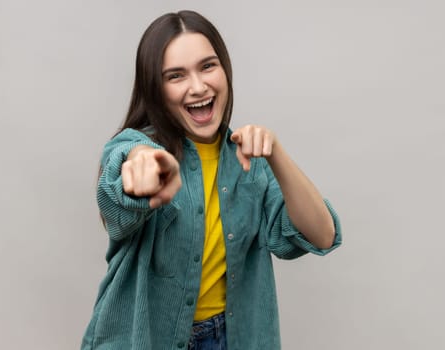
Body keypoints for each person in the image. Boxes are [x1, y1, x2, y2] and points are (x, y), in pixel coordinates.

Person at [81, 10, 342, 350]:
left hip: (231, 339)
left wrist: (275, 152)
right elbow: (122, 175)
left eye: (207, 66)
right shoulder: (135, 148)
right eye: (176, 76)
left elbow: (322, 235)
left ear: (225, 70)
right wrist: (143, 165)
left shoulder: (250, 163)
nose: (198, 86)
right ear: (156, 89)